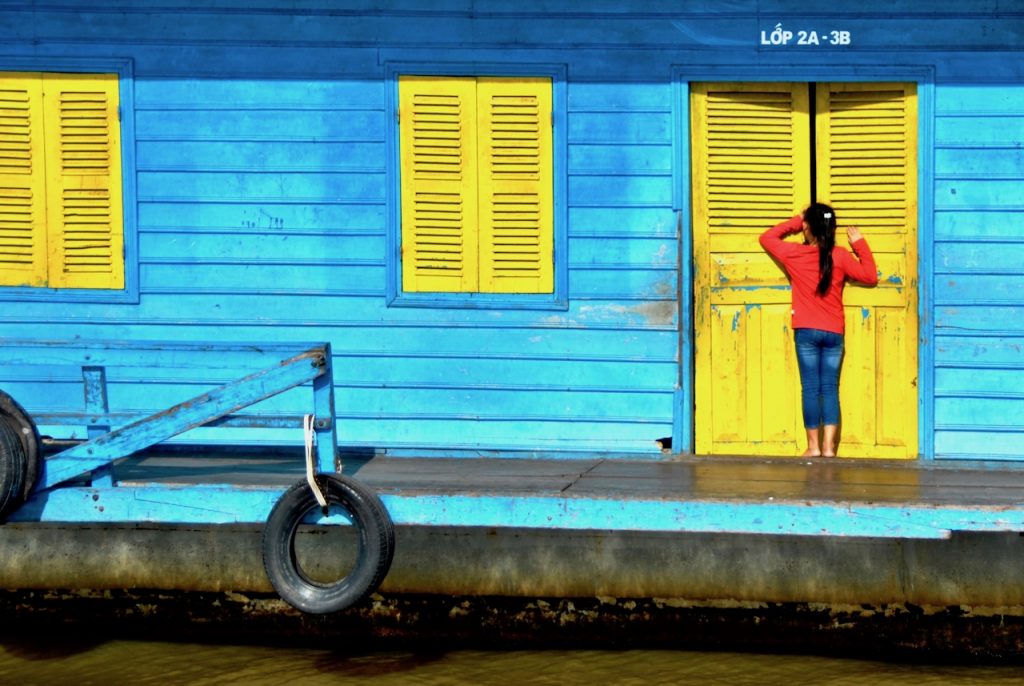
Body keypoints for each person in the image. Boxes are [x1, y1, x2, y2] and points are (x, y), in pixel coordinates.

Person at [759, 203, 878, 457]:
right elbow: (870, 276)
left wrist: (796, 220)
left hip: (806, 332)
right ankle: (829, 448)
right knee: (830, 388)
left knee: (811, 388)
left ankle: (813, 447)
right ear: (832, 228)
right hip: (834, 332)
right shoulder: (842, 255)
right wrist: (860, 244)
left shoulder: (794, 254)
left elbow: (766, 238)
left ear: (808, 228)